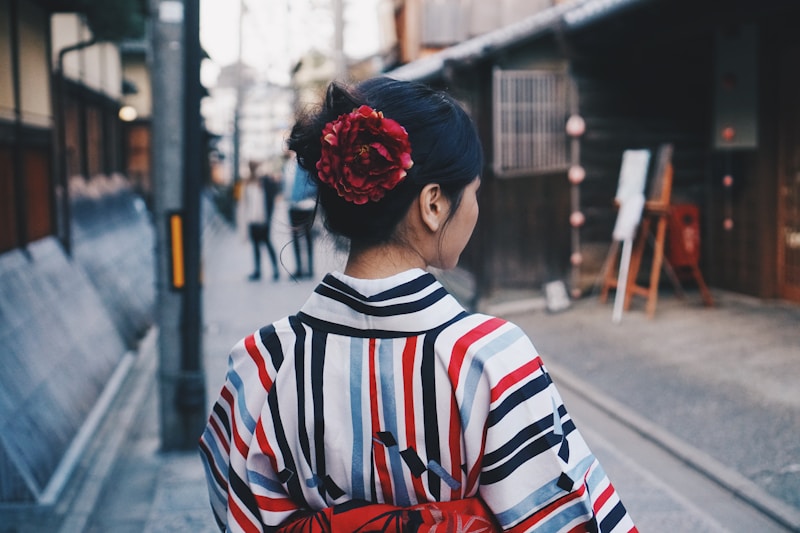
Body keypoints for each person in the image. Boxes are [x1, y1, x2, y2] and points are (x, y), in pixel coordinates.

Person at [199, 77, 636, 533]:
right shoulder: (489, 360)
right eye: (474, 192)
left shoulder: (259, 365)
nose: (475, 209)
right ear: (432, 204)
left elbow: (239, 513)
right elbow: (568, 519)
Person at [238, 160, 280, 281]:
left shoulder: (265, 181)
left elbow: (271, 197)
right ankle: (257, 271)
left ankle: (275, 270)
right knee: (255, 246)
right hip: (252, 219)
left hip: (263, 219)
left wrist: (268, 217)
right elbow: (245, 203)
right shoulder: (247, 183)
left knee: (267, 243)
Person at [285, 153, 317, 279]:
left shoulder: (307, 164)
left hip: (307, 205)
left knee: (308, 237)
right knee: (296, 238)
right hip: (293, 206)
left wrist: (304, 195)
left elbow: (314, 185)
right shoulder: (289, 164)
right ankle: (299, 268)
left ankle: (309, 269)